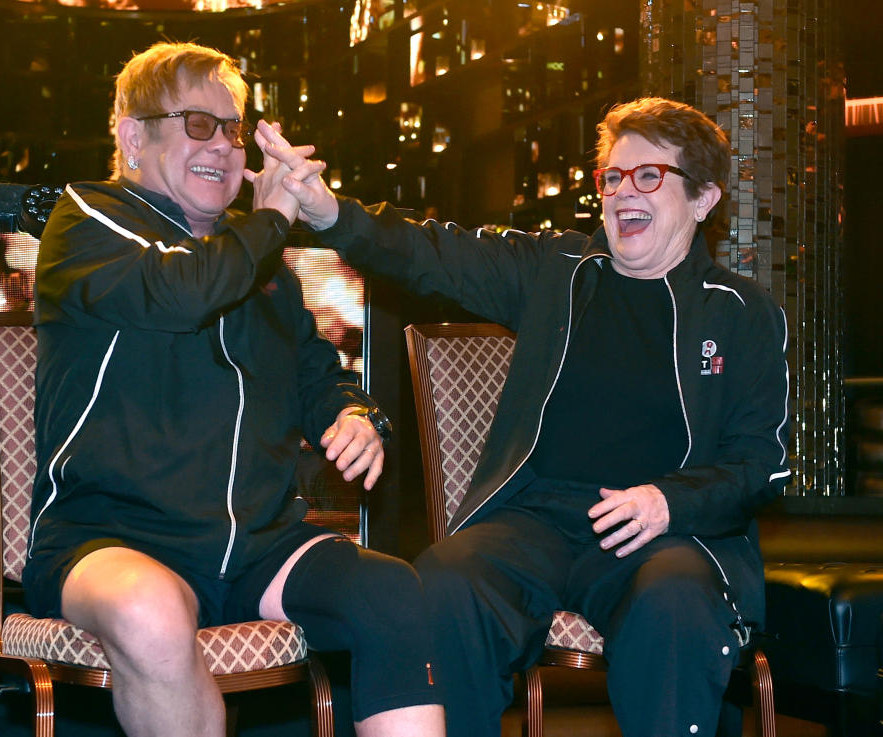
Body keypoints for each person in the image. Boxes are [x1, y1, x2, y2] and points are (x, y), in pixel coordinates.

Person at [255, 97, 791, 737]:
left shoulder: (741, 313)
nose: (624, 193)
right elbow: (432, 251)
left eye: (649, 176)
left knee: (675, 605)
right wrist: (331, 213)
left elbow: (760, 463)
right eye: (612, 177)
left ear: (703, 199)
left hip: (663, 533)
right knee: (445, 582)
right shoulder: (556, 270)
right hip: (534, 519)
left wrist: (668, 502)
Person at [25, 41, 443, 737]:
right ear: (134, 135)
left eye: (233, 129)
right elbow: (180, 293)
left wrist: (359, 417)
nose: (223, 144)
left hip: (255, 544)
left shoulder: (262, 270)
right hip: (113, 539)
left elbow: (320, 376)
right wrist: (271, 219)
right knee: (149, 611)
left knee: (392, 590)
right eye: (198, 124)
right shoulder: (88, 221)